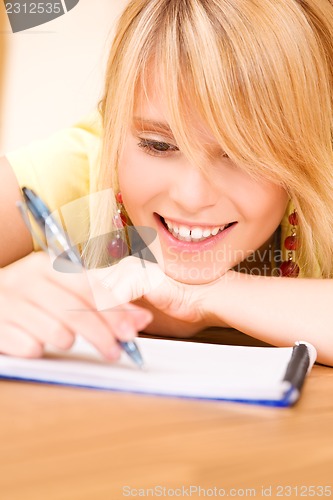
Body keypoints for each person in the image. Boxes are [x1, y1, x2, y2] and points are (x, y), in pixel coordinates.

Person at [1, 0, 333, 365]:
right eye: (158, 145)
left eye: (242, 155)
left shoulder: (323, 187)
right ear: (112, 120)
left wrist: (198, 297)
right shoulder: (81, 169)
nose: (192, 197)